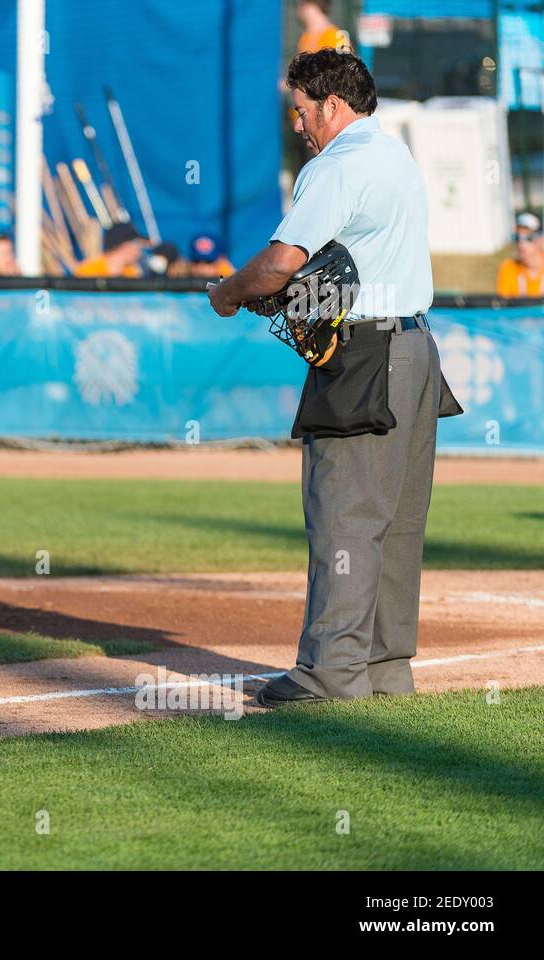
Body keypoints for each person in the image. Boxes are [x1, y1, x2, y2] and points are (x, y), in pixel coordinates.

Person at [208, 49, 461, 706]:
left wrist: (229, 292)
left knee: (343, 516)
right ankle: (384, 671)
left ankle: (329, 675)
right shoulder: (395, 154)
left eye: (301, 111)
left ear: (332, 106)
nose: (299, 125)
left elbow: (278, 264)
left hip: (363, 357)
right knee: (398, 523)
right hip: (416, 350)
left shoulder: (337, 166)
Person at [496, 212, 544, 298]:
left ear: (541, 239)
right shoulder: (508, 268)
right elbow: (503, 308)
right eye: (517, 238)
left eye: (529, 238)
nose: (521, 243)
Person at [73, 222, 146, 278]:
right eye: (137, 243)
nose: (140, 249)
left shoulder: (132, 272)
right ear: (125, 246)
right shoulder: (88, 271)